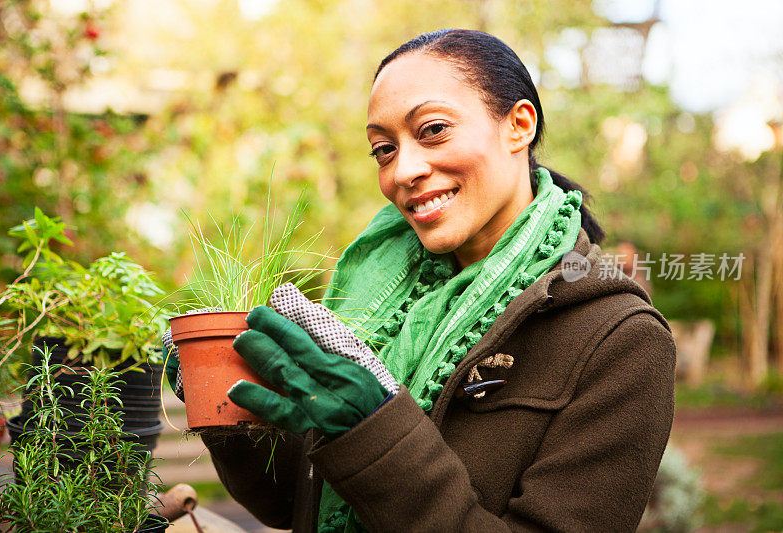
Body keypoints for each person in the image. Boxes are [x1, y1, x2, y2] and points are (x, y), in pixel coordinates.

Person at [165, 29, 676, 532]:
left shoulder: (623, 339)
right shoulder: (374, 298)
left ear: (518, 125)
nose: (403, 171)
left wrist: (375, 431)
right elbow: (290, 505)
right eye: (383, 149)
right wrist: (231, 403)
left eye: (432, 130)